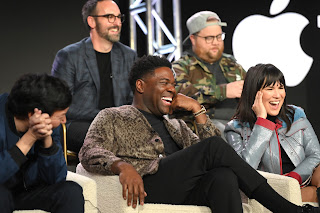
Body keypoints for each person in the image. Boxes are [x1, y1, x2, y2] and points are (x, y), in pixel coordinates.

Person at [79, 55, 319, 213]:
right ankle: (286, 210)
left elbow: (216, 153)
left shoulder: (176, 125)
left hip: (182, 188)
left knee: (223, 175)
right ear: (141, 86)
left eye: (173, 83)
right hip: (147, 183)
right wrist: (122, 166)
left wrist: (196, 109)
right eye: (164, 82)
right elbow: (89, 150)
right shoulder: (114, 115)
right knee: (213, 147)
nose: (172, 89)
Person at [225, 63, 320, 205]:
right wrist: (262, 123)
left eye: (281, 88)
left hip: (300, 183)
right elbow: (245, 171)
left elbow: (315, 155)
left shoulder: (296, 114)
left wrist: (294, 178)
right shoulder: (235, 128)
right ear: (254, 93)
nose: (277, 95)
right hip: (267, 191)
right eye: (270, 89)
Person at [51, 0, 137, 153]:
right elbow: (60, 104)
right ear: (92, 21)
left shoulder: (128, 55)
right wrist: (105, 116)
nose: (117, 23)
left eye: (119, 17)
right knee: (109, 138)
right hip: (80, 124)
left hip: (119, 125)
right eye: (110, 17)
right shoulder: (69, 55)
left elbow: (134, 99)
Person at [0, 73, 84, 212]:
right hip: (3, 190)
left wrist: (46, 141)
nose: (64, 121)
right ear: (33, 114)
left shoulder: (48, 126)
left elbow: (56, 178)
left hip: (27, 192)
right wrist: (30, 137)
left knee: (70, 192)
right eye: (61, 116)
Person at [172, 11, 246, 137]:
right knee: (222, 132)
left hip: (238, 122)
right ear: (193, 39)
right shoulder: (180, 67)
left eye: (219, 37)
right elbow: (178, 99)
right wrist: (223, 91)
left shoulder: (232, 65)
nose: (215, 42)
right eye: (209, 38)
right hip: (200, 127)